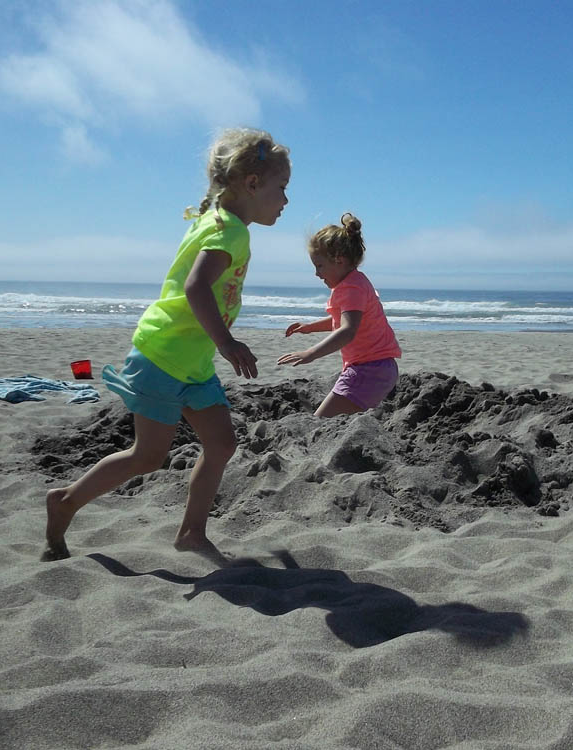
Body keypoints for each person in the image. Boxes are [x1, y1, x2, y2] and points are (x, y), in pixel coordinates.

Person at [42, 128, 290, 562]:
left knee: (221, 445)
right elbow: (196, 288)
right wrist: (227, 342)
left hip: (192, 363)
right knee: (147, 457)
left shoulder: (217, 221)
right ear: (252, 183)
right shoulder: (230, 231)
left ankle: (192, 533)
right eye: (282, 188)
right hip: (162, 358)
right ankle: (65, 501)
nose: (286, 200)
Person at [278, 213, 401, 417]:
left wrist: (311, 353)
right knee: (339, 418)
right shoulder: (356, 281)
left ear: (339, 261)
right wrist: (309, 327)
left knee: (320, 421)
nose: (317, 274)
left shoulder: (351, 288)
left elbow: (348, 330)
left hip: (368, 370)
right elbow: (345, 320)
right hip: (379, 368)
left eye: (319, 266)